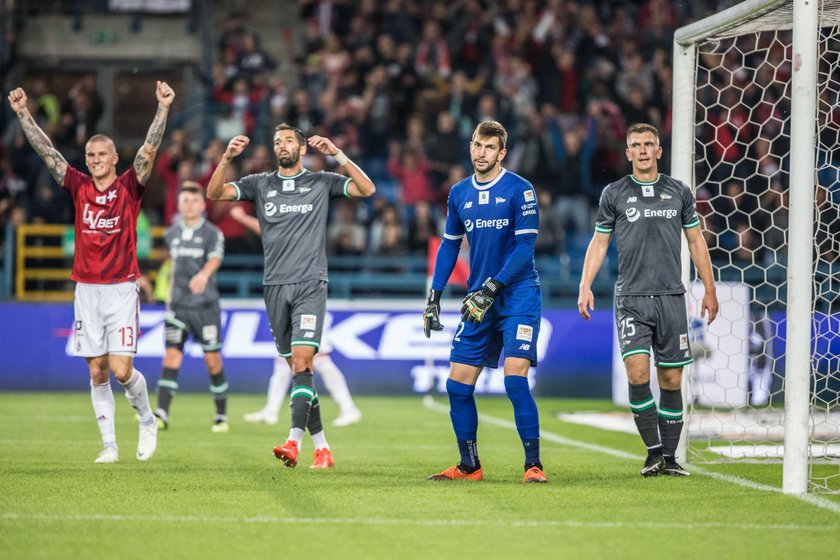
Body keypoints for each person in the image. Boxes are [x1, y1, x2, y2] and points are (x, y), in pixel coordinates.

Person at [7, 81, 175, 463]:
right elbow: (48, 153)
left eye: (103, 153)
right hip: (86, 289)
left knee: (120, 369)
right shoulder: (78, 185)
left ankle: (147, 420)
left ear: (115, 157)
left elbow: (149, 151)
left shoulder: (130, 187)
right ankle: (110, 446)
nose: (96, 158)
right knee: (97, 371)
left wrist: (162, 108)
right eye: (91, 154)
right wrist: (22, 114)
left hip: (120, 288)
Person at [207, 123, 375, 469]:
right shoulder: (260, 184)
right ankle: (323, 449)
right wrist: (226, 158)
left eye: (288, 140)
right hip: (274, 286)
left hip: (310, 284)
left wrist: (338, 155)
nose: (281, 145)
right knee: (300, 372)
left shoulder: (320, 181)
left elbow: (367, 188)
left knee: (302, 362)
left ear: (302, 149)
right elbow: (215, 194)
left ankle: (292, 442)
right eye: (276, 141)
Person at [577, 122, 719, 477]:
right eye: (635, 145)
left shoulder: (679, 192)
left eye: (648, 144)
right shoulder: (614, 193)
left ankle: (670, 459)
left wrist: (710, 287)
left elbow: (696, 240)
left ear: (658, 151)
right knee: (638, 372)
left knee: (671, 380)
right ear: (628, 153)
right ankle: (652, 452)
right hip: (632, 298)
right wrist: (585, 284)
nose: (642, 150)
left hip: (672, 297)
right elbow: (599, 243)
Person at [423, 120, 548, 484]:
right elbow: (449, 245)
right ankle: (469, 466)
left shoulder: (520, 190)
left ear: (502, 153)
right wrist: (434, 296)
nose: (481, 152)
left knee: (514, 379)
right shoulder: (459, 192)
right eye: (477, 145)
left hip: (518, 295)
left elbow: (525, 249)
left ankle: (533, 466)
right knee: (456, 385)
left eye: (490, 148)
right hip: (479, 296)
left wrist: (492, 288)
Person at [230, 205, 362, 427]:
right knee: (283, 360)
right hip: (292, 296)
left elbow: (269, 233)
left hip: (307, 298)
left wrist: (242, 218)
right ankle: (271, 410)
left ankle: (349, 408)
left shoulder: (301, 227)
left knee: (320, 359)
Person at [155, 181, 228, 432]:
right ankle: (161, 413)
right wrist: (168, 295)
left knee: (212, 361)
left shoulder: (212, 233)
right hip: (178, 306)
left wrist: (204, 274)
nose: (190, 205)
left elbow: (216, 257)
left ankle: (221, 415)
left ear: (202, 204)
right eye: (185, 200)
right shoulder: (170, 234)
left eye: (195, 200)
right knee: (172, 356)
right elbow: (174, 266)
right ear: (179, 204)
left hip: (206, 306)